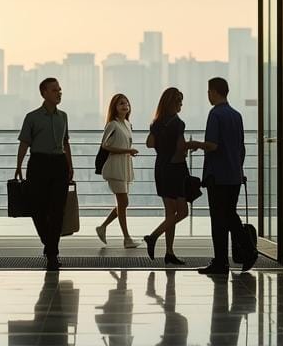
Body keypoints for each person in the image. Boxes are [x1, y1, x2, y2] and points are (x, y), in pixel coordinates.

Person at [15, 77, 74, 269]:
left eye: (60, 90)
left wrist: (70, 165)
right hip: (38, 163)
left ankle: (52, 254)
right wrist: (19, 166)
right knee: (37, 208)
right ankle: (49, 244)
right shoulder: (32, 117)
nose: (59, 93)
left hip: (59, 164)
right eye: (55, 90)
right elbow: (24, 142)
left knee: (58, 210)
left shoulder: (63, 116)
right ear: (44, 93)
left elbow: (66, 142)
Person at [196, 77, 251, 276]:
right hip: (234, 174)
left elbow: (212, 145)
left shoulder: (215, 114)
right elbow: (241, 147)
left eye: (209, 91)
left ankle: (222, 261)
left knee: (218, 220)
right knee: (229, 214)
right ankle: (246, 249)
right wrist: (238, 168)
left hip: (217, 175)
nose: (208, 95)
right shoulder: (236, 115)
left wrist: (195, 145)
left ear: (216, 92)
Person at [143, 87, 193, 265]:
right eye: (179, 100)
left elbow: (149, 144)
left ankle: (169, 252)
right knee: (183, 211)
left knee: (170, 212)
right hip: (176, 169)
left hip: (161, 167)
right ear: (172, 102)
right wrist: (190, 146)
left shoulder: (157, 122)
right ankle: (153, 236)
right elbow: (180, 149)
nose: (181, 104)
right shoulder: (178, 123)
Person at [95, 93, 142, 249]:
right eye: (121, 103)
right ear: (114, 107)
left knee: (123, 202)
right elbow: (104, 145)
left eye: (126, 103)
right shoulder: (112, 124)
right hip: (115, 167)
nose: (125, 106)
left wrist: (127, 152)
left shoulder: (127, 124)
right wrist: (126, 151)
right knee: (124, 202)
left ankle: (102, 227)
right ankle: (127, 239)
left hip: (124, 166)